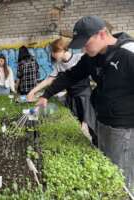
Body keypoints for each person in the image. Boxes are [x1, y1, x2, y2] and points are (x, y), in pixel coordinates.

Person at [36, 16, 134, 192]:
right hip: (102, 121)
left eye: (85, 43)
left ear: (102, 34)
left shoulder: (128, 53)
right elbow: (70, 75)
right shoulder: (92, 57)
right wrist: (46, 95)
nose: (83, 48)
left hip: (124, 127)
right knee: (107, 167)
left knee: (120, 175)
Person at [27, 38, 97, 146]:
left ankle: (97, 145)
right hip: (72, 97)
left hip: (84, 95)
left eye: (55, 52)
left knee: (91, 124)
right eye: (52, 52)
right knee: (76, 121)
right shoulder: (58, 65)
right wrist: (33, 91)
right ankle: (82, 143)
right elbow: (49, 79)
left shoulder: (79, 58)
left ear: (63, 49)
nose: (53, 55)